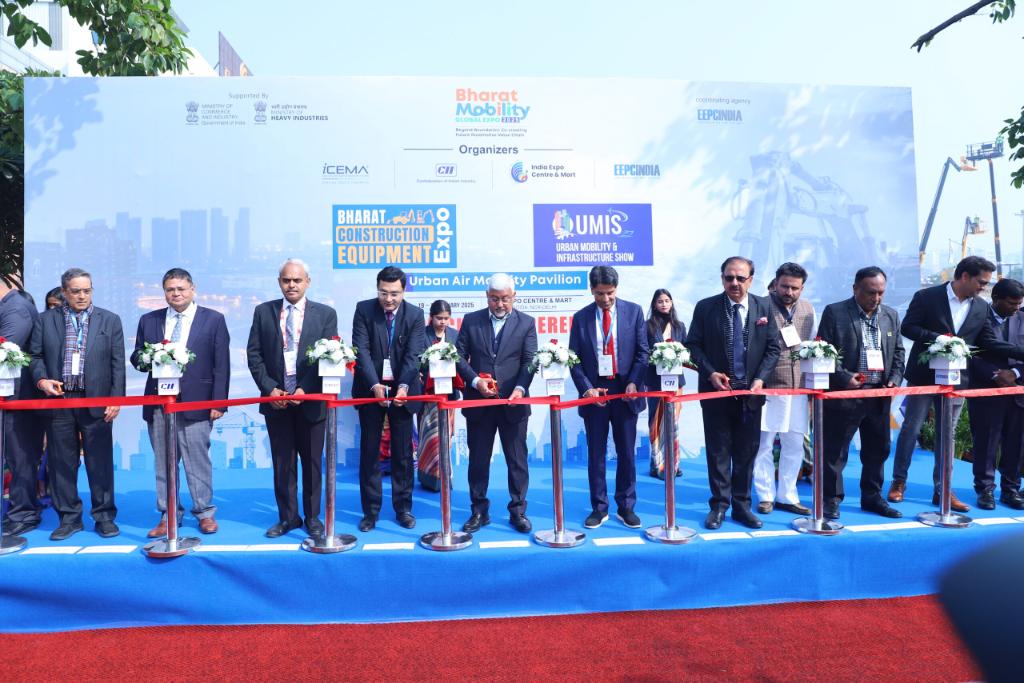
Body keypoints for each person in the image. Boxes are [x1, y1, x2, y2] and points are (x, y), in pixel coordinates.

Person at [889, 256, 1024, 512]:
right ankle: (899, 482)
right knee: (911, 428)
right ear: (964, 276)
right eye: (981, 282)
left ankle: (943, 489)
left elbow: (988, 343)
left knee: (948, 434)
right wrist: (941, 339)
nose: (983, 288)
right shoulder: (927, 297)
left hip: (956, 380)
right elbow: (908, 328)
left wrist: (1020, 353)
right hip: (924, 377)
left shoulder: (981, 307)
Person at [131, 268, 230, 538]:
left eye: (181, 289)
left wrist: (219, 403)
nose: (176, 294)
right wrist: (150, 357)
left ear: (192, 289)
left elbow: (222, 364)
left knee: (197, 460)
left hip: (197, 402)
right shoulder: (149, 320)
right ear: (164, 292)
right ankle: (168, 514)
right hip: (159, 402)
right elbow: (137, 358)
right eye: (170, 289)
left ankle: (204, 512)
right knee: (164, 462)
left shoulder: (213, 319)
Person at [29, 268, 125, 540]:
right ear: (64, 292)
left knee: (99, 462)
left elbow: (117, 363)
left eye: (86, 290)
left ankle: (104, 516)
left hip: (96, 401)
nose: (82, 296)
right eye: (75, 291)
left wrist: (115, 399)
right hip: (58, 401)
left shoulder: (110, 320)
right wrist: (42, 381)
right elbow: (34, 356)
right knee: (61, 463)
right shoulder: (45, 320)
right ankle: (69, 519)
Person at [686, 256, 780, 530]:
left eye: (740, 278)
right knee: (718, 452)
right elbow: (693, 346)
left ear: (751, 279)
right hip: (716, 394)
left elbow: (773, 348)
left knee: (746, 452)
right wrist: (710, 373)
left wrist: (760, 379)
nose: (735, 283)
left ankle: (742, 506)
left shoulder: (764, 306)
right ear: (722, 279)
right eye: (729, 278)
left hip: (751, 395)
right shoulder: (706, 307)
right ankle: (719, 506)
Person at [247, 258, 336, 540]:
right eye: (286, 280)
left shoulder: (325, 314)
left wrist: (304, 389)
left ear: (308, 282)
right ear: (279, 282)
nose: (292, 285)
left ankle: (313, 517)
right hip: (276, 401)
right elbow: (254, 355)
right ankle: (288, 517)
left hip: (310, 402)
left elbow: (328, 356)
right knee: (283, 463)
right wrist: (270, 389)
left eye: (297, 280)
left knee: (312, 463)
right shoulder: (263, 312)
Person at [817, 266, 905, 519]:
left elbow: (899, 352)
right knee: (836, 451)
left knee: (878, 449)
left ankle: (872, 497)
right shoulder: (835, 312)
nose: (876, 298)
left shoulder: (890, 315)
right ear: (855, 288)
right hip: (845, 395)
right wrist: (844, 377)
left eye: (881, 293)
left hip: (878, 395)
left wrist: (894, 379)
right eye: (870, 292)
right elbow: (823, 351)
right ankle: (831, 500)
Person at [455, 273, 537, 533]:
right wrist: (475, 381)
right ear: (486, 296)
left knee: (517, 461)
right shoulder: (471, 320)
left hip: (514, 404)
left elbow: (530, 361)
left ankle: (518, 511)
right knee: (478, 461)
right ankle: (479, 511)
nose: (499, 304)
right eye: (494, 299)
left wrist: (520, 389)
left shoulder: (527, 323)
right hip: (479, 404)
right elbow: (457, 356)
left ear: (514, 297)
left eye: (505, 299)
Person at [570, 266, 649, 529]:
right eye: (599, 293)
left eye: (610, 293)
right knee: (596, 452)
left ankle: (626, 506)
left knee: (626, 452)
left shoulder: (634, 312)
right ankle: (599, 507)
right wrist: (587, 389)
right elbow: (574, 359)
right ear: (591, 290)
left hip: (626, 390)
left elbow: (643, 352)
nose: (605, 299)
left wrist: (634, 382)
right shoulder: (580, 318)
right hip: (595, 392)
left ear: (617, 288)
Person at [351, 266, 426, 532]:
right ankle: (370, 512)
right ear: (377, 289)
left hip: (403, 391)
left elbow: (414, 354)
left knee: (403, 453)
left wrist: (403, 386)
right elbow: (361, 351)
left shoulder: (415, 315)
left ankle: (403, 508)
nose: (389, 299)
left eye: (394, 293)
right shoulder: (363, 310)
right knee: (370, 452)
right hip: (371, 389)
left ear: (403, 291)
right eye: (383, 292)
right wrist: (374, 385)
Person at [752, 262, 814, 516]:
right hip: (768, 386)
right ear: (775, 284)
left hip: (799, 388)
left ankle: (787, 496)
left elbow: (811, 347)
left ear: (802, 288)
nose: (789, 292)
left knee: (795, 444)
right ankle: (765, 496)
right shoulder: (760, 306)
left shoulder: (808, 309)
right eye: (785, 286)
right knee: (764, 444)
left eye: (795, 288)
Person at [967, 278, 1024, 510]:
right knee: (986, 442)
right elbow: (969, 353)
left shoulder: (1023, 318)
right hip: (987, 391)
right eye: (1012, 303)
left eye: (1019, 303)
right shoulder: (977, 319)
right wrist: (995, 375)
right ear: (996, 299)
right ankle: (985, 490)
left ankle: (1011, 489)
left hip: (1018, 391)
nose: (1016, 308)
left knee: (1016, 444)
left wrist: (1015, 373)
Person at [0, 273, 44, 537]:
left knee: (20, 456)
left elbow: (5, 349)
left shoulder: (16, 309)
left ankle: (23, 513)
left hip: (18, 398)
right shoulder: (10, 306)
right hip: (9, 396)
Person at [416, 300, 459, 492]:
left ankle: (445, 476)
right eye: (439, 318)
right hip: (427, 395)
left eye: (446, 318)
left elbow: (462, 361)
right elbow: (415, 359)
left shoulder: (455, 335)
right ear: (431, 317)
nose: (443, 322)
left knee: (445, 437)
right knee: (429, 437)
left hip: (448, 395)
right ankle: (427, 478)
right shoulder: (421, 335)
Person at [645, 288, 686, 480]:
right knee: (656, 423)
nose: (664, 304)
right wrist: (657, 357)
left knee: (673, 423)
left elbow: (687, 352)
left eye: (667, 300)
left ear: (671, 303)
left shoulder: (679, 326)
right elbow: (643, 352)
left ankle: (673, 464)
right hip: (655, 382)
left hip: (675, 383)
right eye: (660, 301)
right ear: (654, 304)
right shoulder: (647, 326)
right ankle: (657, 465)